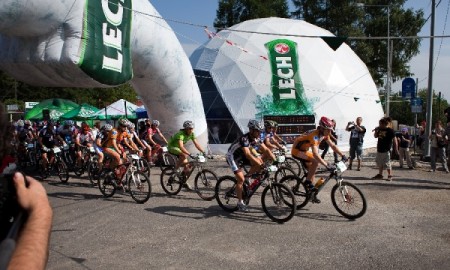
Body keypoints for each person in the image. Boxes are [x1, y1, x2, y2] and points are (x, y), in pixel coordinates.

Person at [0, 103, 52, 270]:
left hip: (45, 145)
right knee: (28, 151)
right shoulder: (35, 131)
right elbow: (35, 138)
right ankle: (41, 166)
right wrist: (40, 212)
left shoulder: (41, 130)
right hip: (35, 144)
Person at [291, 116, 347, 202]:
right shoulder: (314, 136)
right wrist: (326, 165)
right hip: (296, 151)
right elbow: (316, 154)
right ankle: (307, 183)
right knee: (316, 161)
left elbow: (333, 146)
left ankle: (311, 194)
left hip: (304, 150)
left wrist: (342, 155)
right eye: (327, 130)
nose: (329, 132)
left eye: (330, 130)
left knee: (312, 171)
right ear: (321, 128)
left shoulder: (325, 134)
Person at [226, 120, 275, 212]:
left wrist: (274, 160)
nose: (259, 133)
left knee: (260, 162)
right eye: (258, 131)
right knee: (240, 179)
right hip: (233, 157)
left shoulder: (257, 138)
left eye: (260, 131)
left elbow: (266, 150)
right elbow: (248, 154)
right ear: (251, 130)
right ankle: (240, 202)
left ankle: (247, 178)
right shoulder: (244, 139)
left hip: (242, 156)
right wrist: (260, 163)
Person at [167, 120, 206, 190]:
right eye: (189, 129)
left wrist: (203, 152)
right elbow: (181, 147)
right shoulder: (180, 134)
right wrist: (189, 154)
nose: (191, 130)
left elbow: (196, 144)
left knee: (187, 167)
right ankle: (175, 169)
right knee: (184, 155)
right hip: (172, 147)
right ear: (185, 128)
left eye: (192, 128)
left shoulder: (192, 134)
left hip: (178, 149)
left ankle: (183, 181)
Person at [372, 117, 397, 181]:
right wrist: (376, 131)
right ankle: (380, 175)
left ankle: (390, 175)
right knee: (380, 163)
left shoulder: (390, 131)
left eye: (380, 124)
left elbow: (395, 140)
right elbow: (375, 136)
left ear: (383, 124)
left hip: (386, 150)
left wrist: (396, 149)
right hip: (379, 149)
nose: (379, 125)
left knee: (387, 163)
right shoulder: (380, 129)